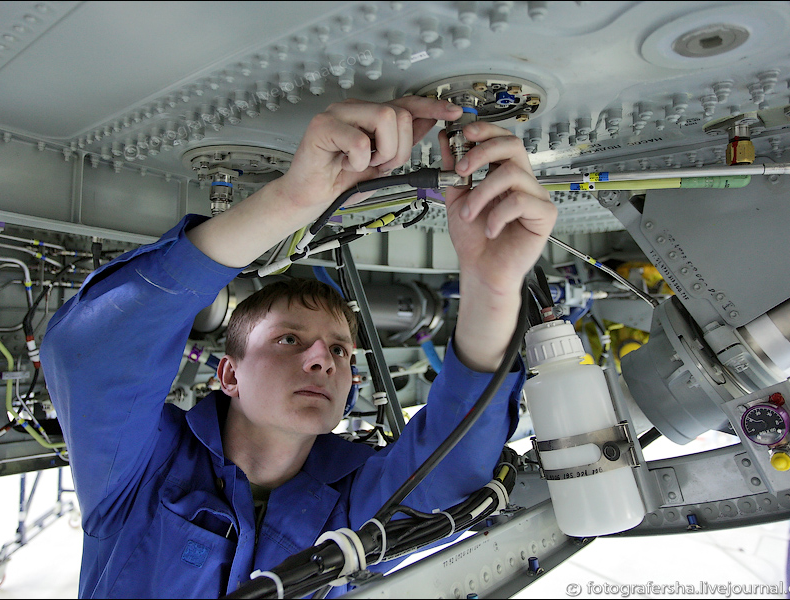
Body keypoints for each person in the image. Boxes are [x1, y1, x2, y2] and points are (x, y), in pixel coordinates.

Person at [41, 96, 557, 598]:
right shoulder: (141, 469)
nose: (321, 359)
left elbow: (449, 475)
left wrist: (491, 286)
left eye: (339, 350)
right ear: (229, 375)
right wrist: (290, 201)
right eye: (289, 339)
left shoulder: (348, 500)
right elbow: (94, 353)